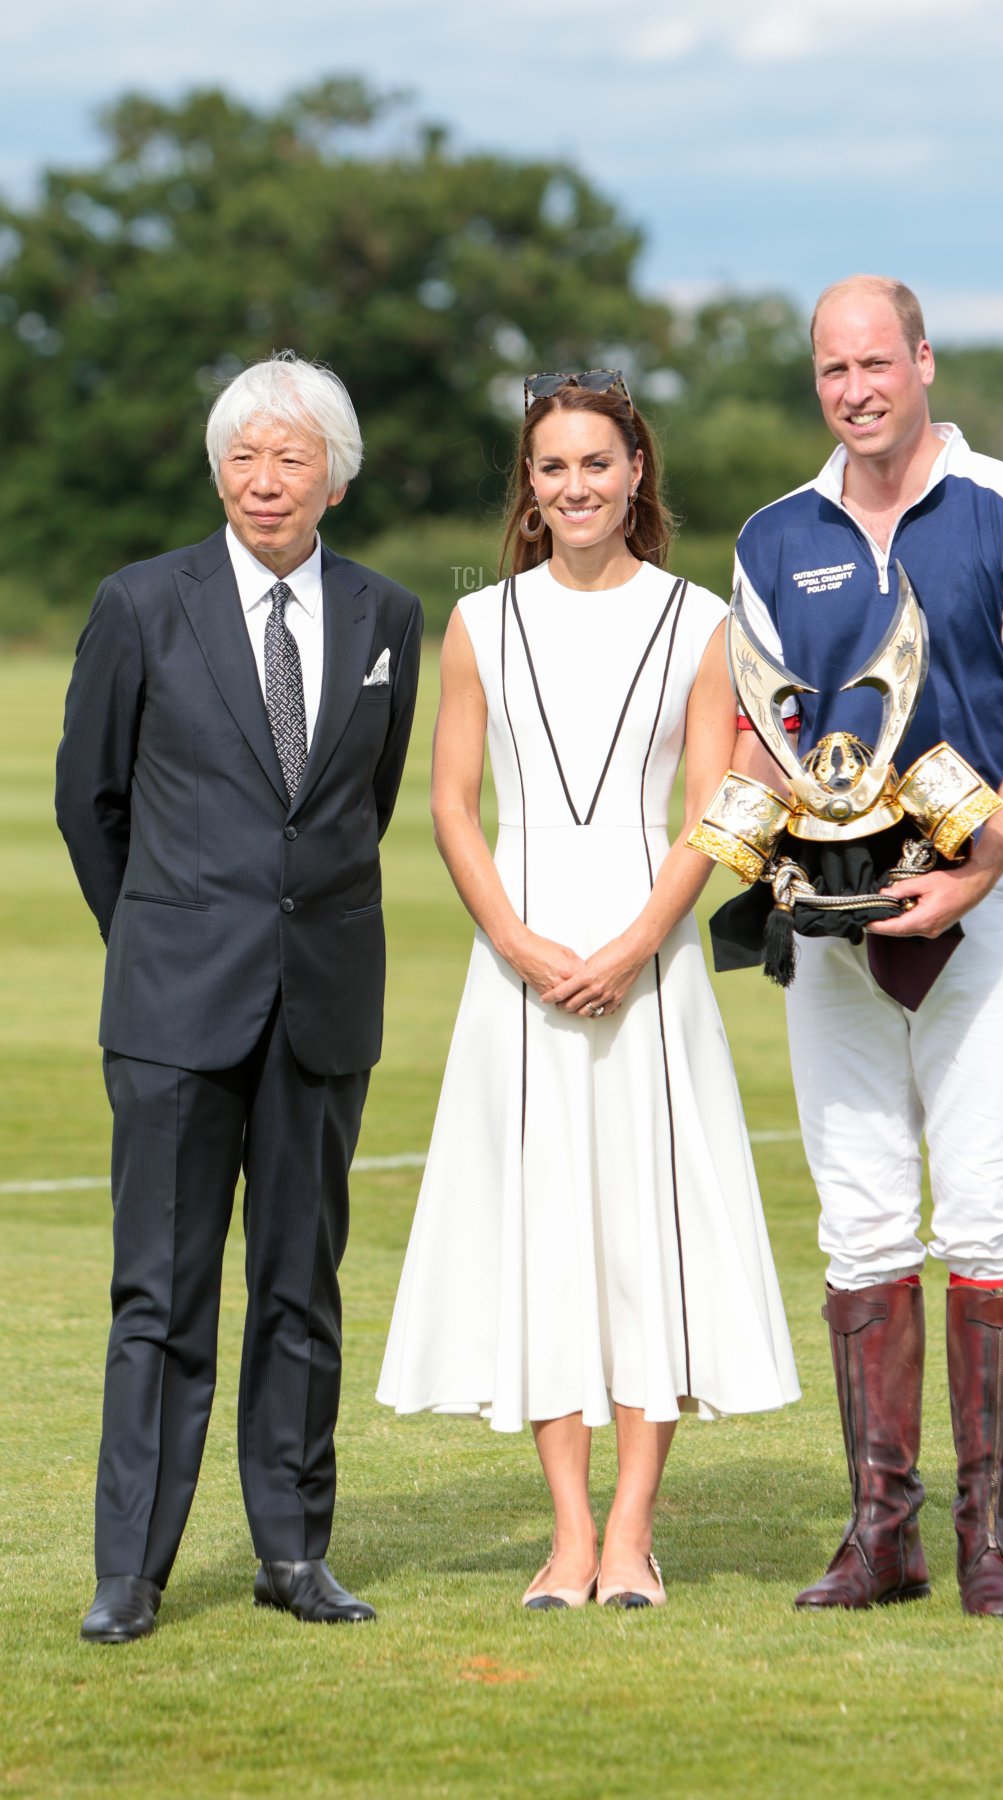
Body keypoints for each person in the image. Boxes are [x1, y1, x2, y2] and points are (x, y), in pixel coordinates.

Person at [377, 369, 799, 1610]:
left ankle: (630, 1537)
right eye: (552, 467)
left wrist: (635, 941)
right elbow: (453, 803)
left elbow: (724, 806)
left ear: (636, 476)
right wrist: (512, 935)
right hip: (516, 970)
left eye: (597, 465)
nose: (575, 487)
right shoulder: (479, 625)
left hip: (649, 966)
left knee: (642, 1237)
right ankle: (565, 1539)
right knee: (546, 1236)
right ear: (530, 484)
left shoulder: (700, 619)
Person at [729, 277, 1003, 1617]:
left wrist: (978, 868)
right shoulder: (775, 535)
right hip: (833, 934)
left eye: (875, 361)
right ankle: (882, 1533)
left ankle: (991, 1538)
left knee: (986, 1216)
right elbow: (758, 733)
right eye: (831, 369)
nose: (854, 389)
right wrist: (757, 873)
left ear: (924, 360)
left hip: (980, 917)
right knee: (862, 1218)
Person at [56, 352, 423, 1642]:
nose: (266, 482)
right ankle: (131, 1573)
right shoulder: (139, 603)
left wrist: (276, 937)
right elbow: (90, 802)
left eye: (292, 457)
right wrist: (160, 937)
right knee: (158, 1294)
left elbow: (359, 809)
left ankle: (293, 1553)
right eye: (244, 457)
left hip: (321, 1004)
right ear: (218, 469)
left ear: (335, 474)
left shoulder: (386, 617)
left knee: (299, 1288)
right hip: (172, 1009)